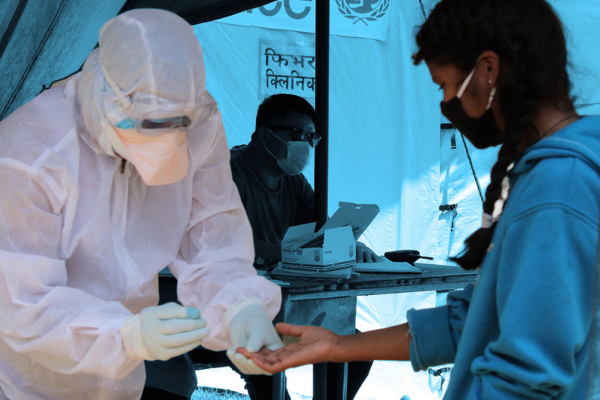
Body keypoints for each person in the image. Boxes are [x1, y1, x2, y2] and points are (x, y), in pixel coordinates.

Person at [240, 1, 600, 399]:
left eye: (444, 85)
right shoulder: (556, 175)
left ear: (488, 70)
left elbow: (526, 373)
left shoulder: (558, 189)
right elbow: (474, 322)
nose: (446, 103)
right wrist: (337, 346)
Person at [0, 9, 283, 400]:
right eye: (152, 124)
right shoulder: (30, 154)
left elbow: (212, 235)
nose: (170, 139)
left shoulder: (198, 125)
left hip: (124, 382)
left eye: (179, 123)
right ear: (110, 100)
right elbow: (22, 301)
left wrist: (241, 309)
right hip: (28, 384)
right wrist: (125, 335)